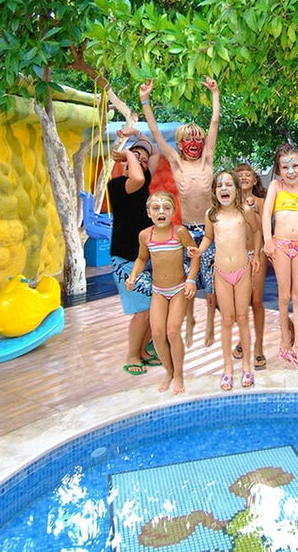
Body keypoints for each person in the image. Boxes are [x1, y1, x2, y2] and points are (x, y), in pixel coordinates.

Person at [140, 76, 220, 347]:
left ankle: (210, 323)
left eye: (198, 139)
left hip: (208, 230)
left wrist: (215, 93)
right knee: (184, 281)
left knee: (210, 281)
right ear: (180, 144)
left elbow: (214, 122)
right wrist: (145, 101)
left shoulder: (207, 158)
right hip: (185, 231)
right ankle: (189, 320)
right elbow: (156, 133)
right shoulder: (176, 161)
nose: (194, 144)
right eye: (188, 140)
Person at [125, 191, 200, 395]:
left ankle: (179, 375)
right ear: (148, 212)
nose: (161, 212)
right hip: (158, 291)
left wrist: (191, 279)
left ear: (173, 211)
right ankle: (169, 372)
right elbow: (142, 259)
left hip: (178, 290)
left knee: (172, 331)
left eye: (166, 208)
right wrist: (133, 276)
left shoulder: (180, 232)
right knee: (158, 334)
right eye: (156, 208)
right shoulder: (145, 235)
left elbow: (195, 255)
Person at [194, 170, 261, 390]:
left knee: (242, 317)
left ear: (236, 189)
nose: (224, 188)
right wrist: (199, 251)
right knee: (226, 319)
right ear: (214, 191)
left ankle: (247, 367)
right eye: (220, 185)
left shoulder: (245, 211)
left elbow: (257, 231)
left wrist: (257, 255)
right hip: (221, 273)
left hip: (242, 272)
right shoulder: (211, 214)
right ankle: (227, 369)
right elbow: (208, 237)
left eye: (229, 185)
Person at [262, 144, 298, 372]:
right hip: (281, 245)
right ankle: (285, 340)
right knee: (284, 296)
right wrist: (268, 240)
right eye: (285, 167)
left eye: (295, 165)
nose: (291, 171)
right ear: (279, 169)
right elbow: (266, 213)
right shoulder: (276, 186)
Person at [107, 138, 160, 376]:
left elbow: (155, 155)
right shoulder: (117, 185)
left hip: (145, 258)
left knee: (153, 308)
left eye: (143, 161)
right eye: (135, 159)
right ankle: (132, 354)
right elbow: (136, 178)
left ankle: (143, 350)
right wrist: (128, 153)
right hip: (125, 259)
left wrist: (136, 133)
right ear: (125, 163)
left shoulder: (144, 181)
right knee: (143, 310)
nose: (141, 163)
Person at [234, 163, 268, 371]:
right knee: (241, 303)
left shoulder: (262, 202)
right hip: (237, 257)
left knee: (256, 301)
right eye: (240, 175)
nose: (244, 178)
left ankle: (259, 346)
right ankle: (242, 339)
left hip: (256, 254)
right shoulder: (229, 203)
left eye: (248, 175)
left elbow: (264, 229)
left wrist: (253, 211)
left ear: (255, 180)